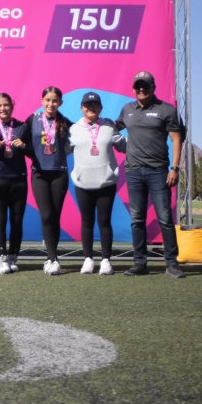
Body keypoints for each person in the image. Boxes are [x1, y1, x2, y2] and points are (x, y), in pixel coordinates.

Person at [116, 71, 185, 278]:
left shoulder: (166, 110)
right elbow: (112, 129)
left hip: (158, 171)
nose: (141, 89)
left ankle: (172, 264)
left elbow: (176, 140)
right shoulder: (127, 109)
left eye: (145, 85)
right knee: (137, 219)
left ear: (153, 87)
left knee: (164, 218)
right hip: (134, 171)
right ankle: (140, 263)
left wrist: (175, 168)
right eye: (137, 85)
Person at [68, 92, 127, 275]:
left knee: (104, 221)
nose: (91, 107)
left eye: (94, 105)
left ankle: (106, 260)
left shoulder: (109, 126)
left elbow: (124, 146)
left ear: (101, 108)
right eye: (87, 105)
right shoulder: (73, 129)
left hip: (105, 183)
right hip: (82, 183)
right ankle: (87, 258)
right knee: (87, 221)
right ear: (81, 108)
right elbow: (59, 150)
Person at [28, 86, 72, 276]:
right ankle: (52, 258)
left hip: (59, 172)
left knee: (55, 216)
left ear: (60, 103)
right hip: (39, 173)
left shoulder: (66, 122)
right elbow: (20, 140)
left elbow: (76, 143)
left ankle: (53, 258)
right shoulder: (32, 120)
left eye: (54, 101)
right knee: (46, 215)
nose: (50, 104)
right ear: (41, 101)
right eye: (47, 100)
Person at [0, 93, 30, 275]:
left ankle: (13, 256)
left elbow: (33, 152)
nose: (2, 108)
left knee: (16, 220)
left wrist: (23, 147)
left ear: (12, 106)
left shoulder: (23, 127)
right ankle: (1, 257)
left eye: (6, 105)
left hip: (18, 178)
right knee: (0, 220)